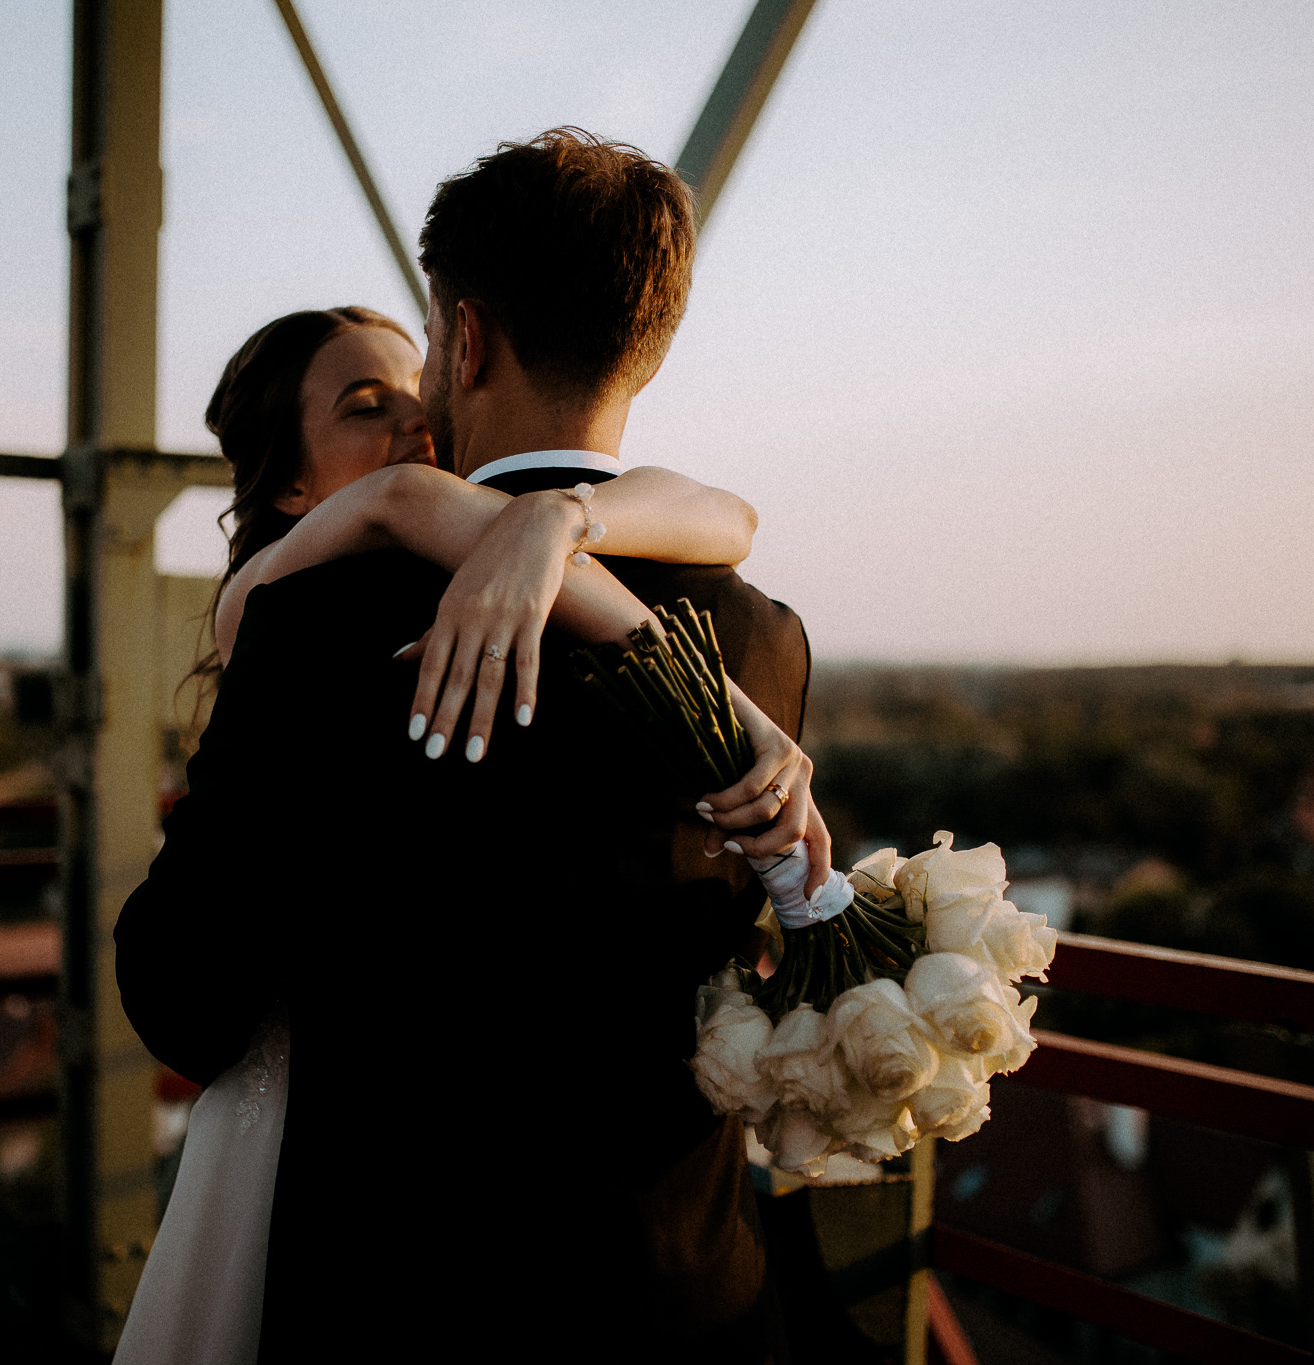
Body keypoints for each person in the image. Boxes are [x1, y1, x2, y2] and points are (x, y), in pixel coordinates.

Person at [116, 129, 818, 1363]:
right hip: (689, 1301)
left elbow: (183, 1001)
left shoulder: (316, 624)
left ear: (467, 340)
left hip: (407, 1303)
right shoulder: (763, 635)